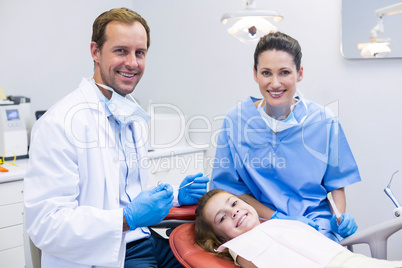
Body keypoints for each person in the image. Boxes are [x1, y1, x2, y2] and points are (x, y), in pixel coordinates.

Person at [24, 7, 208, 268]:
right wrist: (127, 219)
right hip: (103, 255)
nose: (132, 63)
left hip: (145, 240)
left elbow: (130, 193)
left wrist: (177, 196)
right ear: (95, 52)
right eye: (121, 50)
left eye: (140, 53)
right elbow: (46, 225)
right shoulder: (60, 123)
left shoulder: (131, 116)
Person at [211, 31, 360, 242]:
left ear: (299, 73)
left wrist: (340, 218)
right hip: (258, 224)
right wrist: (277, 218)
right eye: (266, 73)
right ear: (255, 74)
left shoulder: (324, 121)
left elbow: (336, 183)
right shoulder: (236, 121)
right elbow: (228, 190)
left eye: (284, 72)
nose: (274, 83)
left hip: (315, 224)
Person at [194, 189, 402, 268]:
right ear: (222, 240)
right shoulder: (241, 247)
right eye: (222, 218)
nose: (234, 212)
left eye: (234, 203)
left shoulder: (280, 225)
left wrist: (335, 228)